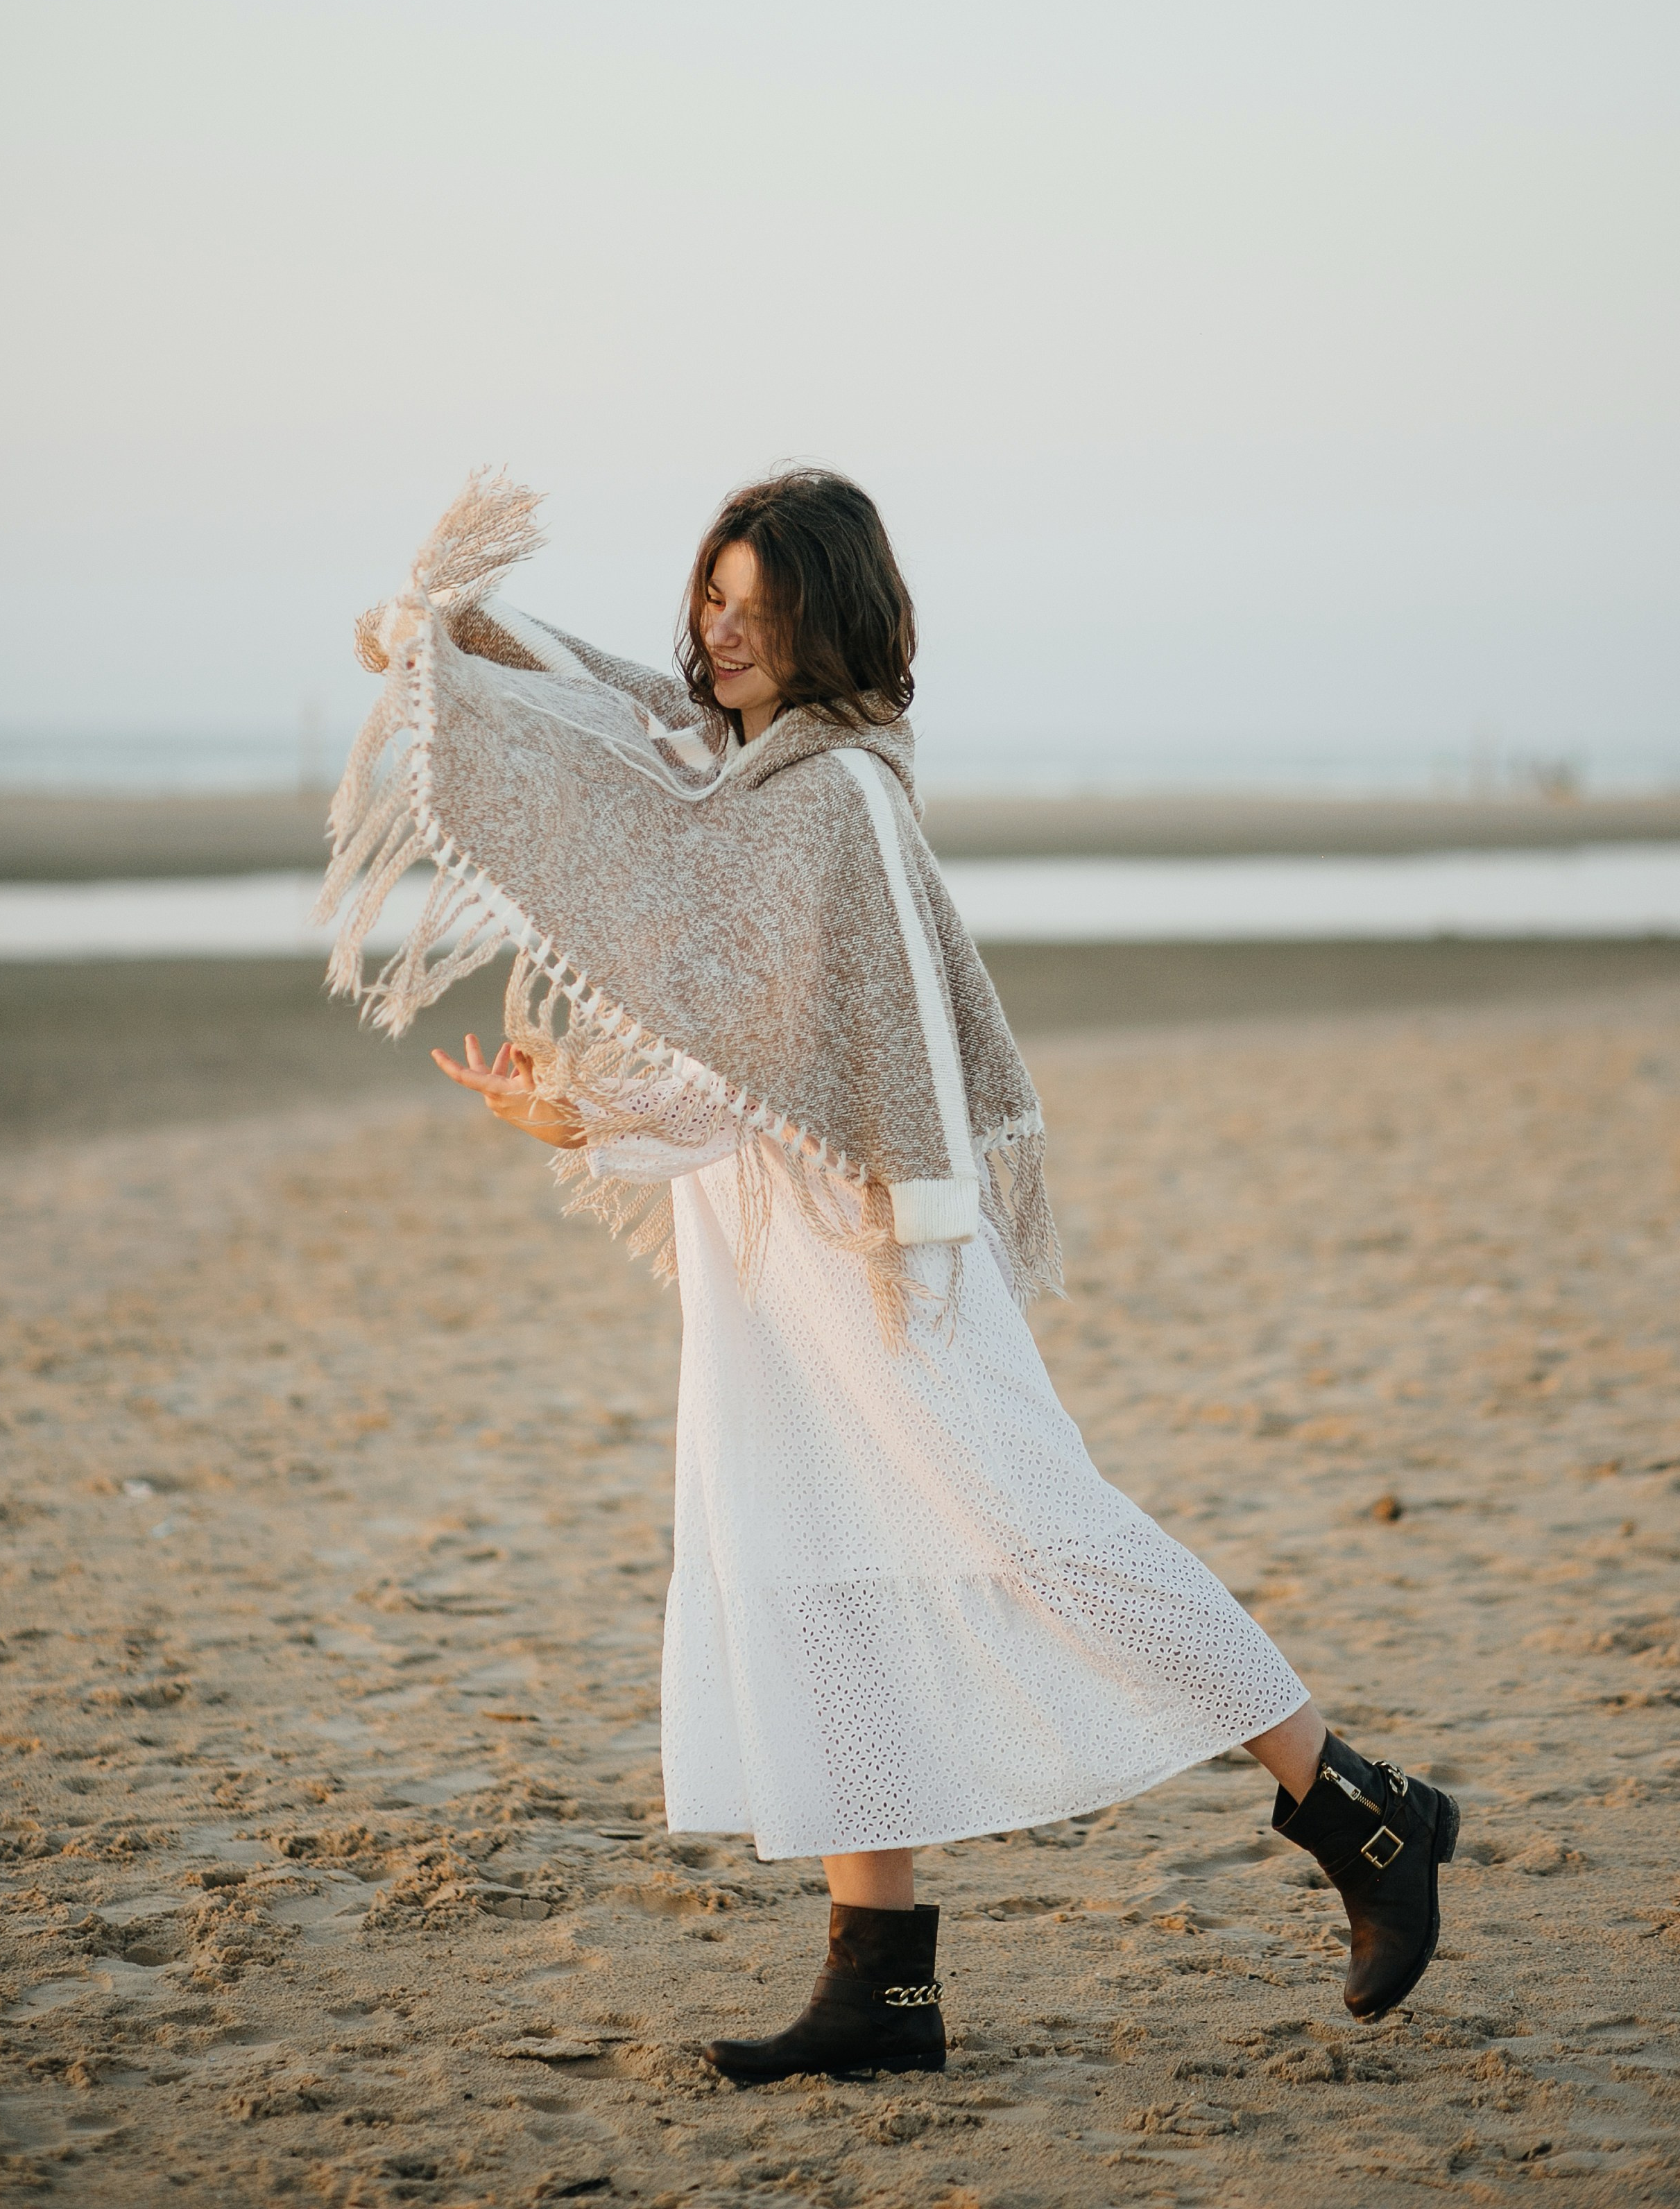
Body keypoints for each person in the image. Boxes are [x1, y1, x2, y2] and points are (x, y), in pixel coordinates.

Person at [336, 467, 1456, 2086]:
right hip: (762, 1247)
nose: (719, 638)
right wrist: (459, 643)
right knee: (815, 1573)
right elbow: (609, 725)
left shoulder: (835, 798)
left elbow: (768, 1050)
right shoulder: (734, 775)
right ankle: (882, 1985)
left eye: (756, 611)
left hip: (873, 1246)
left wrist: (582, 1108)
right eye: (711, 603)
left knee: (1041, 1528)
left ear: (826, 620)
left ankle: (1357, 1812)